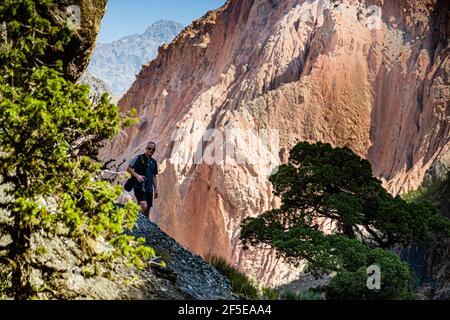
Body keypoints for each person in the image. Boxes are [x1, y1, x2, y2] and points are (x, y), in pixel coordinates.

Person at [127, 141, 159, 218]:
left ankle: (145, 227)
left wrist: (156, 188)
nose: (151, 150)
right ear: (146, 149)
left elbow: (154, 176)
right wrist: (137, 176)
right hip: (139, 186)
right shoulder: (138, 158)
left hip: (149, 188)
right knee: (143, 205)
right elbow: (129, 168)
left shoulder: (154, 162)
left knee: (147, 210)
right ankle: (134, 221)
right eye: (149, 148)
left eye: (153, 149)